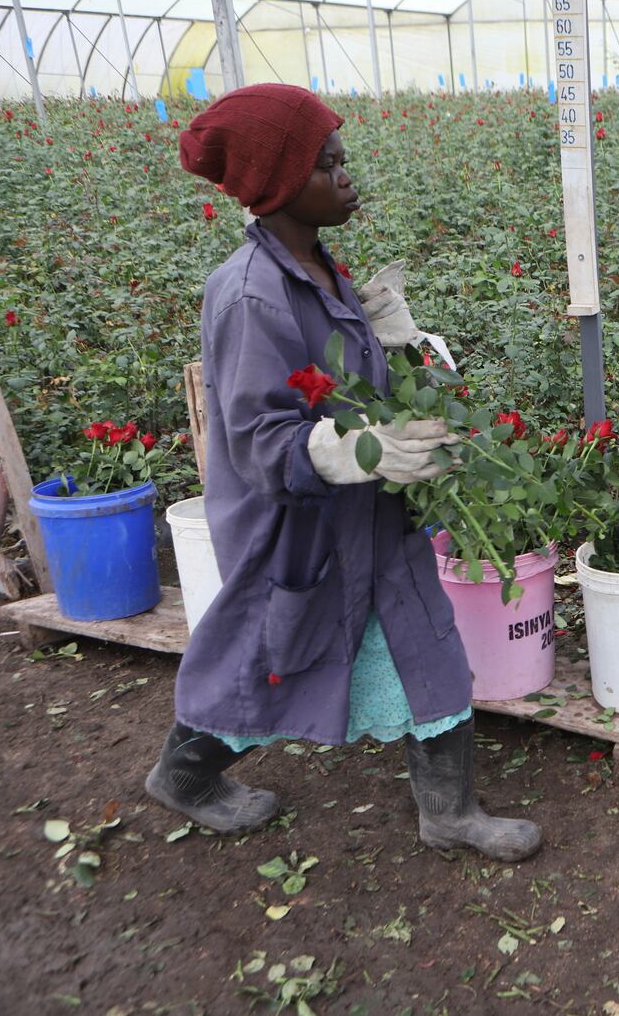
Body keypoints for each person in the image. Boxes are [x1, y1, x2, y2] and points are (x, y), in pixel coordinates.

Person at [143, 83, 540, 861]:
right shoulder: (251, 295)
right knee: (268, 661)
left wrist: (389, 344)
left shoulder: (321, 269)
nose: (348, 176)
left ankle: (449, 811)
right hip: (301, 534)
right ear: (284, 184)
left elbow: (350, 384)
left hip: (371, 520)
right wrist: (351, 451)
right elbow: (261, 442)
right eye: (331, 164)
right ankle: (184, 776)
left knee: (429, 645)